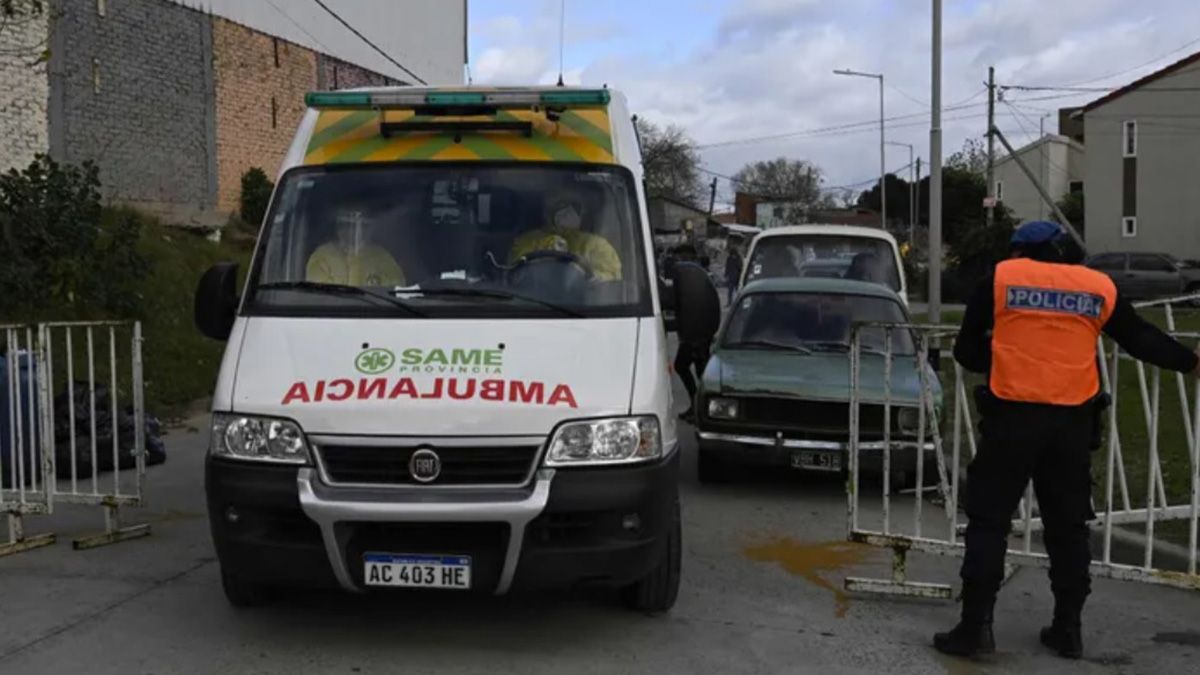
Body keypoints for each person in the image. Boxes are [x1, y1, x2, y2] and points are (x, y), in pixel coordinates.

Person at [933, 220, 1200, 660]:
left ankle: (975, 628)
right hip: (1071, 422)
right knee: (1068, 526)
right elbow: (1140, 338)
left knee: (990, 521)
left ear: (1020, 251)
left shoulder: (1001, 278)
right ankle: (1068, 628)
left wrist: (1002, 358)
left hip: (1012, 417)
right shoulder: (1097, 286)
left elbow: (966, 350)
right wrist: (1191, 362)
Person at [509, 189, 622, 281]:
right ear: (547, 212)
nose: (567, 213)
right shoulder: (529, 240)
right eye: (559, 206)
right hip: (532, 299)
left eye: (574, 207)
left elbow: (611, 281)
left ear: (583, 213)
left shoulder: (595, 245)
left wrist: (587, 275)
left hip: (581, 301)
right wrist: (548, 247)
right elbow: (514, 272)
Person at [306, 204, 405, 287]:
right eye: (347, 224)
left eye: (362, 225)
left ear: (370, 229)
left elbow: (396, 294)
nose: (355, 231)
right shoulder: (322, 258)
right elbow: (319, 299)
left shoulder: (383, 258)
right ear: (338, 228)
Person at [672, 261, 717, 422]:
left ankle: (699, 407)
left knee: (684, 366)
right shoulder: (696, 281)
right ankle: (698, 406)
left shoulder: (686, 280)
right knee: (699, 371)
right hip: (700, 334)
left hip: (695, 337)